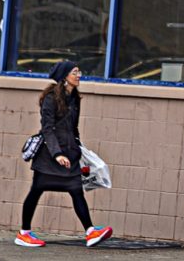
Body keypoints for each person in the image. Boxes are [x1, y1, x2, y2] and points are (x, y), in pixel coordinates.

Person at [15, 60, 113, 249]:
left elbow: (73, 128)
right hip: (50, 155)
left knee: (76, 190)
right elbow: (47, 129)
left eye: (79, 71)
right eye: (75, 72)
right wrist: (57, 154)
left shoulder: (74, 97)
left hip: (70, 153)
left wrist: (78, 149)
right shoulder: (51, 98)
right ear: (64, 77)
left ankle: (90, 232)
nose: (79, 75)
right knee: (36, 191)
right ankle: (24, 233)